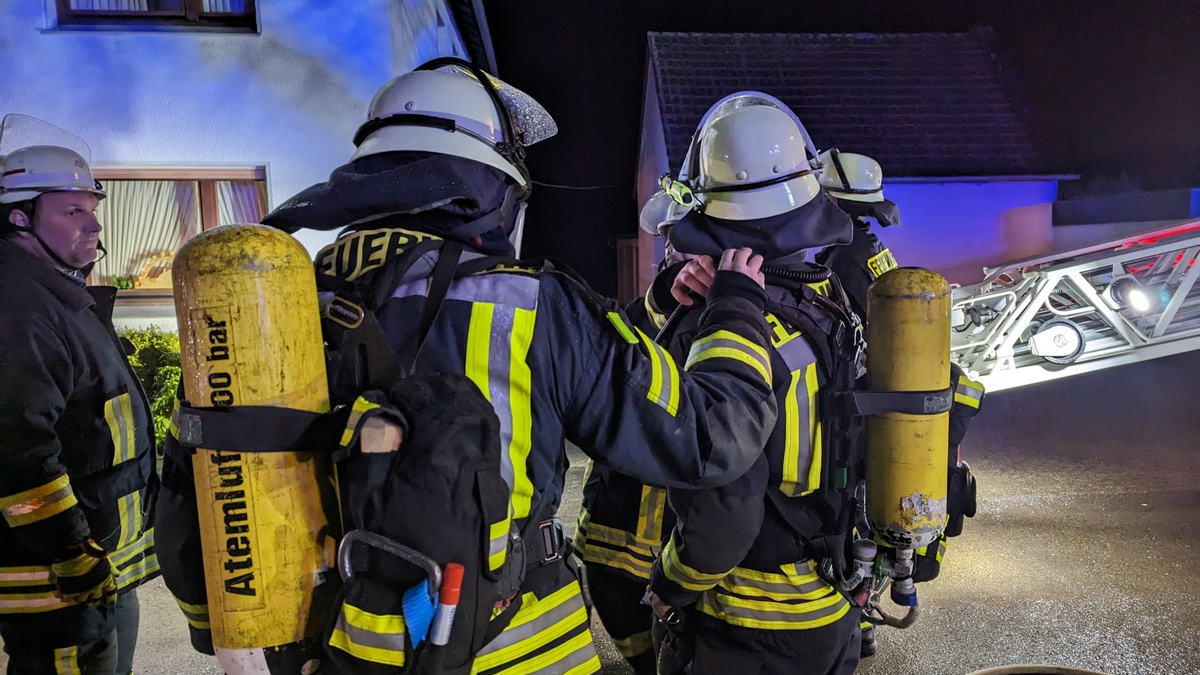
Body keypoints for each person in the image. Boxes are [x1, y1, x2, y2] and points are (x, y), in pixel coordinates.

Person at [157, 58, 779, 674]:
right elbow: (708, 437)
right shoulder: (534, 304)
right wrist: (738, 308)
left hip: (332, 652)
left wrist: (221, 631)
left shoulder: (265, 311)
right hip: (514, 650)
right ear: (489, 191)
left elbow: (191, 492)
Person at [641, 91, 866, 675]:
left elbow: (724, 515)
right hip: (833, 602)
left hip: (741, 627)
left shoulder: (721, 329)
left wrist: (670, 586)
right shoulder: (829, 303)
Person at [0, 117, 159, 675]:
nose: (94, 225)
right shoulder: (17, 305)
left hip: (97, 564)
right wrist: (69, 551)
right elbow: (17, 449)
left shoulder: (56, 293)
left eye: (93, 208)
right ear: (18, 217)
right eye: (72, 212)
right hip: (58, 581)